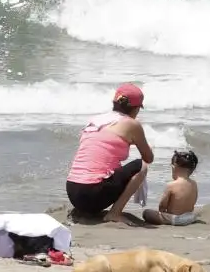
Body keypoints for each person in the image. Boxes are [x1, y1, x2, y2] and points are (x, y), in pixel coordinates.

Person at [65, 83, 154, 223]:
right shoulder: (132, 124)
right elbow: (148, 158)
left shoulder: (95, 120)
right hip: (92, 195)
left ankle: (87, 209)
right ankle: (114, 213)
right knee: (141, 166)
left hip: (72, 191)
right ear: (136, 108)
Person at [142, 149, 200, 226]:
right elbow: (193, 202)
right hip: (190, 217)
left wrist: (162, 213)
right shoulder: (194, 184)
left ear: (173, 167)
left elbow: (162, 205)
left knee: (147, 213)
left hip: (176, 219)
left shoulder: (171, 185)